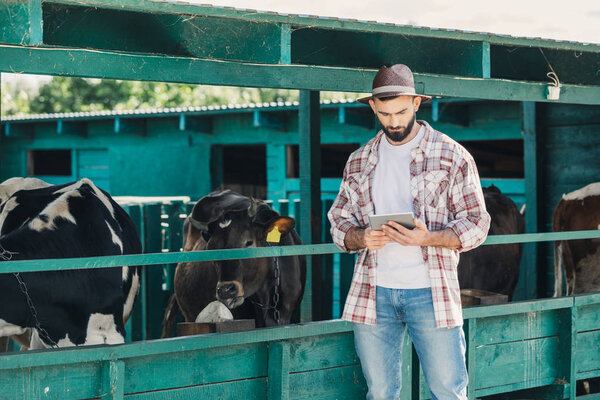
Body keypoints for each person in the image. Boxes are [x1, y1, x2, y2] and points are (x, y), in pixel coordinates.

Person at [327, 64, 491, 400]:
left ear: (417, 102)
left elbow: (478, 222)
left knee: (448, 392)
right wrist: (361, 238)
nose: (394, 122)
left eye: (402, 111)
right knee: (380, 393)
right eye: (385, 113)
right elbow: (339, 221)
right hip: (373, 294)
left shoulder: (452, 155)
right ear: (373, 108)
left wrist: (427, 237)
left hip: (432, 293)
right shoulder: (358, 160)